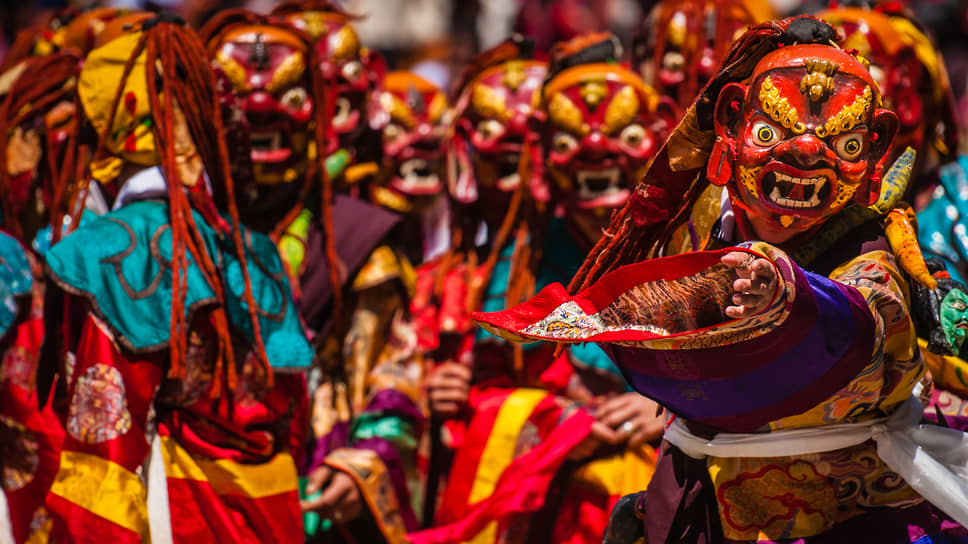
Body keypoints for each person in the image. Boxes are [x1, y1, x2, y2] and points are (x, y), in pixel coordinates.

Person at [476, 16, 968, 544]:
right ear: (731, 123)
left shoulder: (877, 251)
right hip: (702, 490)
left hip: (835, 514)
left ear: (875, 147)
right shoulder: (705, 217)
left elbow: (864, 315)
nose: (805, 152)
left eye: (844, 145)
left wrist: (789, 294)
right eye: (768, 132)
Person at [40, 14, 313, 542]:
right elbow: (291, 422)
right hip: (267, 516)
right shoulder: (254, 248)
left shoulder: (104, 251)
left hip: (174, 513)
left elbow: (105, 444)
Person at [412, 33, 672, 544]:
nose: (595, 149)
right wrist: (557, 423)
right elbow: (485, 389)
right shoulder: (513, 267)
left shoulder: (690, 246)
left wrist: (667, 411)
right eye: (569, 140)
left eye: (623, 135)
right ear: (542, 152)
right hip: (541, 505)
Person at [202, 11, 424, 542]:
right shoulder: (180, 235)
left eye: (290, 103)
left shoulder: (358, 238)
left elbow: (393, 375)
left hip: (317, 493)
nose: (258, 117)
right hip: (203, 488)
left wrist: (364, 463)